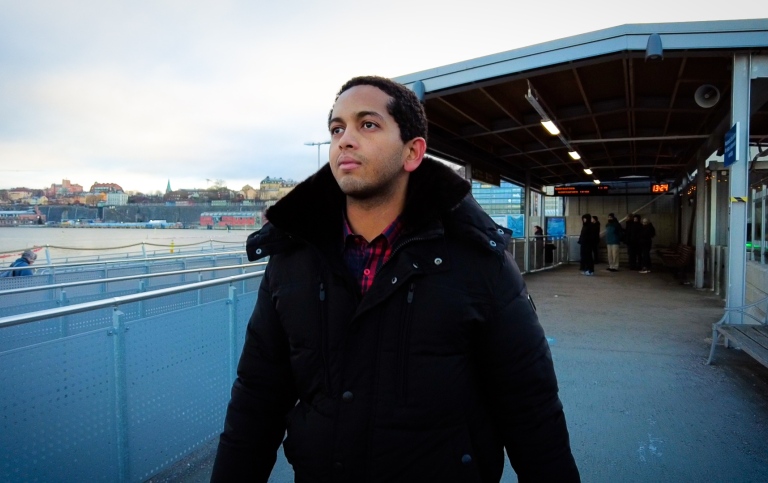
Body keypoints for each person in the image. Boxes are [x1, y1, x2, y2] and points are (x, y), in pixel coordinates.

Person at [211, 76, 580, 482]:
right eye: (337, 128)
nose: (345, 140)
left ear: (412, 152)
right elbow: (257, 399)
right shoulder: (293, 260)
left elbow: (531, 409)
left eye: (367, 125)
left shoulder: (479, 263)